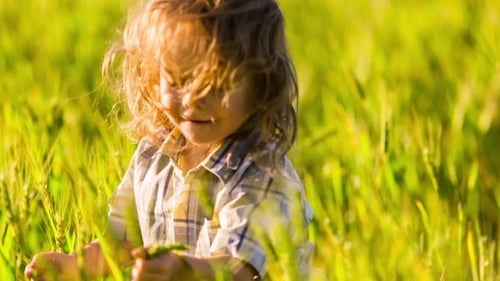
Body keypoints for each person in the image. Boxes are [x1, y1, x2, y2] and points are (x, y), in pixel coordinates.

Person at [24, 0, 313, 280]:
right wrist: (76, 265)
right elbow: (123, 240)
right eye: (177, 80)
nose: (192, 100)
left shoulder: (263, 175)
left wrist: (180, 271)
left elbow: (239, 269)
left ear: (262, 86)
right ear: (151, 74)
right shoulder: (153, 154)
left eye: (215, 85)